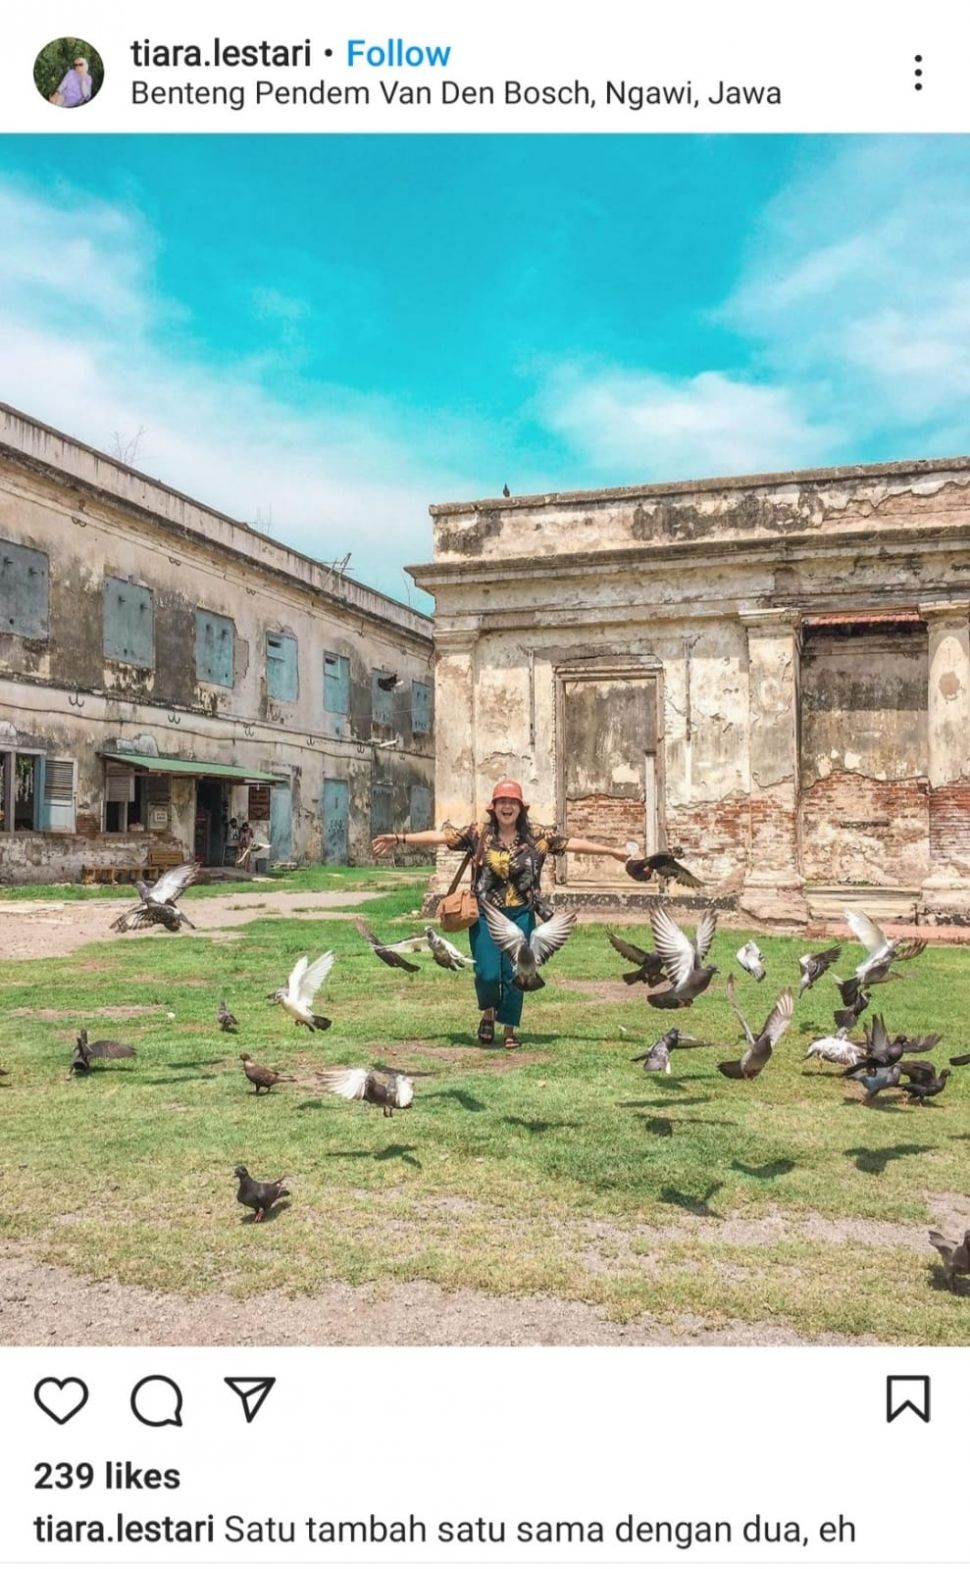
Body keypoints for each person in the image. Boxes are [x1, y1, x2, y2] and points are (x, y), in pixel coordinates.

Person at [373, 779, 630, 1049]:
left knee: (516, 974)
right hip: (485, 914)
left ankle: (509, 1028)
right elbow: (441, 836)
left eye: (512, 802)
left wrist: (612, 852)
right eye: (502, 802)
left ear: (521, 807)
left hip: (521, 913)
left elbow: (571, 844)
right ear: (493, 807)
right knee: (486, 973)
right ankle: (488, 1012)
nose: (507, 807)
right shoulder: (479, 834)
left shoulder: (537, 836)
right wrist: (399, 838)